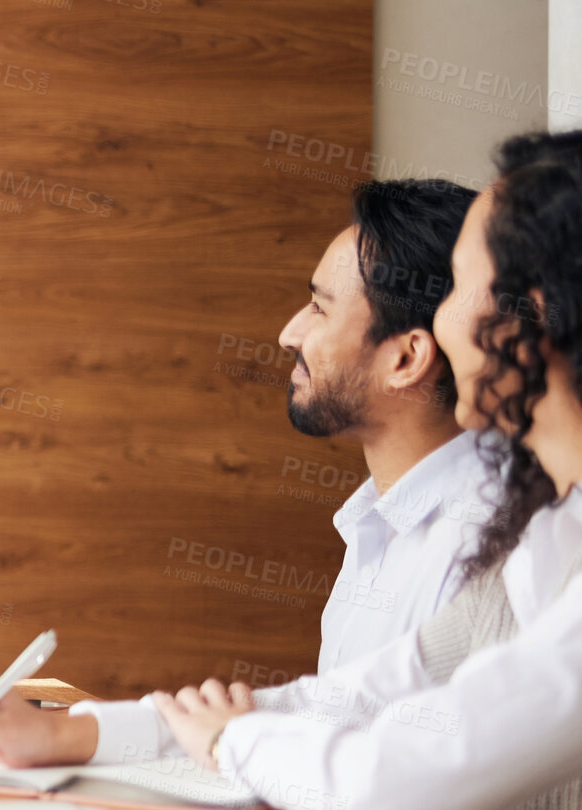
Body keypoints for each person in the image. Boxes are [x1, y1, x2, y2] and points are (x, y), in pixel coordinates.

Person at [0, 131, 582, 810]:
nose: (438, 323)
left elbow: (390, 777)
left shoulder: (510, 536)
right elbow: (353, 698)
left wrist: (235, 738)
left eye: (460, 284)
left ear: (525, 315)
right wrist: (62, 733)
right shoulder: (547, 535)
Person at [74, 178, 491, 766]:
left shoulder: (485, 540)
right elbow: (331, 715)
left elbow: (381, 768)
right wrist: (73, 737)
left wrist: (232, 743)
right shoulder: (379, 521)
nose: (289, 333)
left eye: (319, 307)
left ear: (405, 359)